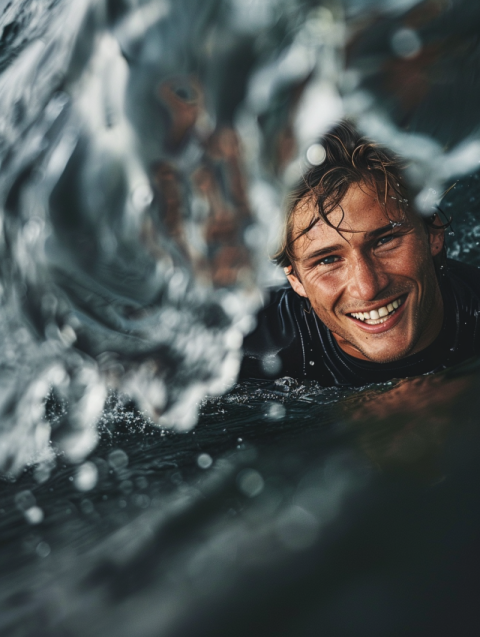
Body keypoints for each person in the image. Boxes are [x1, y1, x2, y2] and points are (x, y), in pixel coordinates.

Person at [240, 121, 480, 386]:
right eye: (328, 260)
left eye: (384, 241)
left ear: (433, 232)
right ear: (294, 278)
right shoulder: (245, 356)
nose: (367, 288)